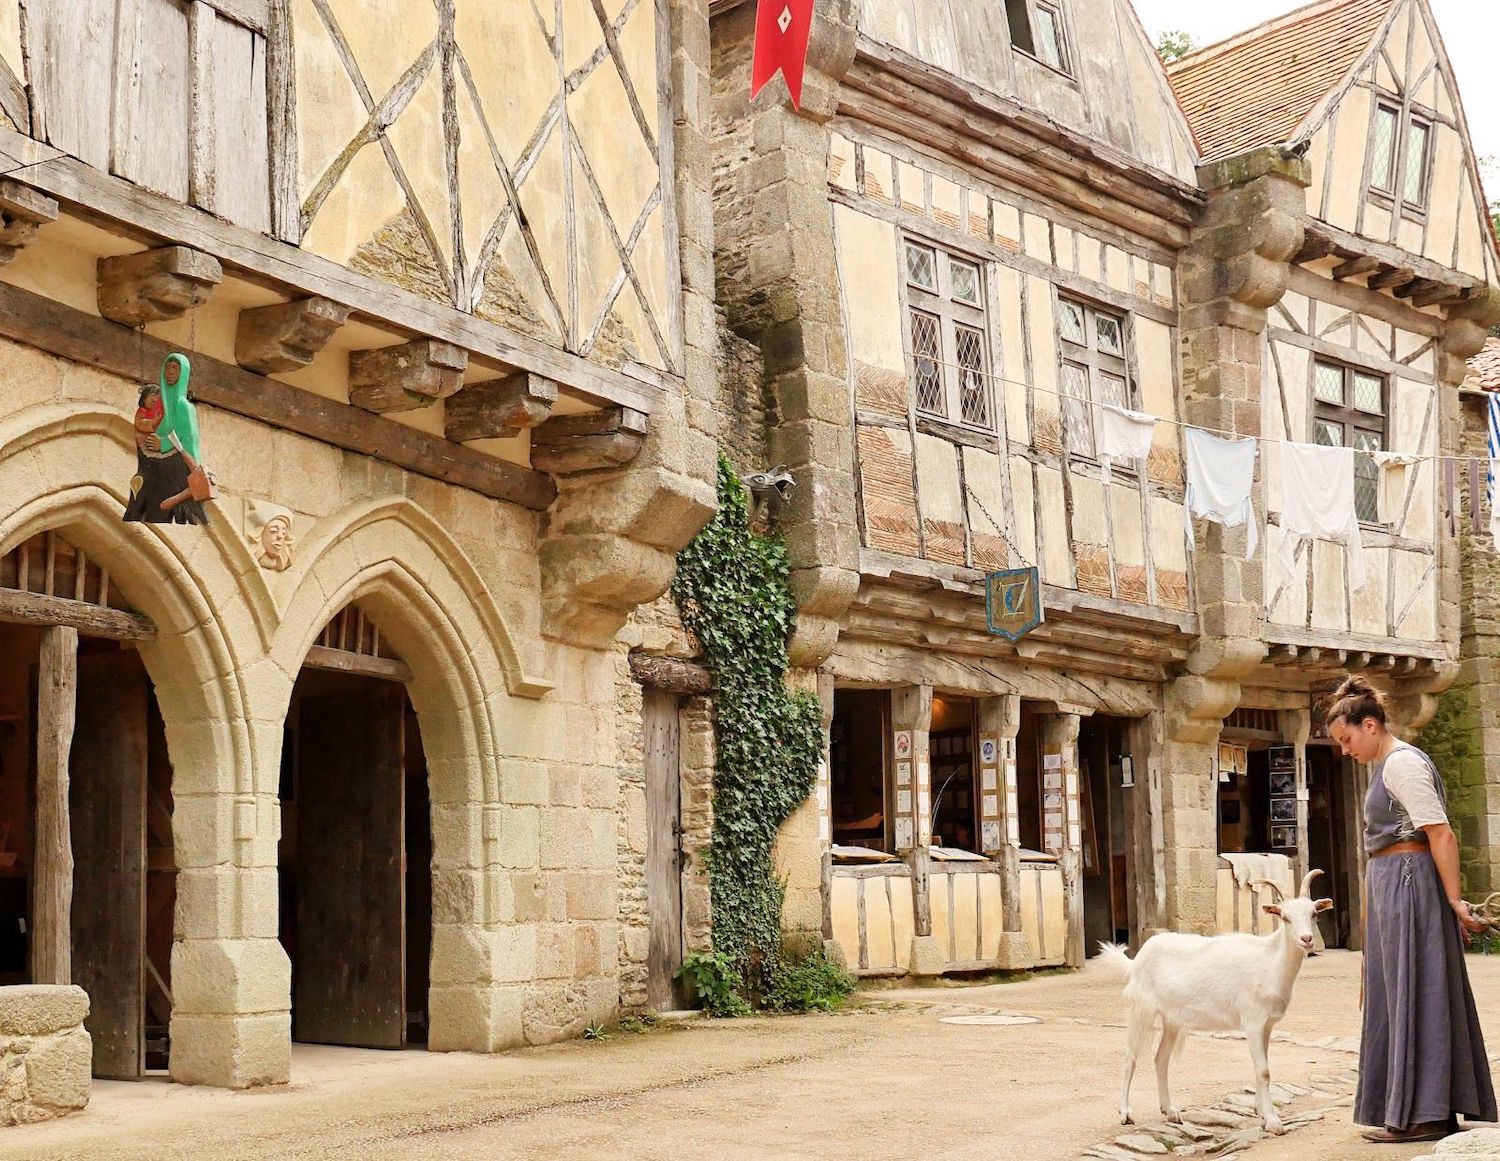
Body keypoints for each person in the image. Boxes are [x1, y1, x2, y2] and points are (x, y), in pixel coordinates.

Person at [1326, 676, 1496, 1144]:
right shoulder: (1386, 764)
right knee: (1406, 989)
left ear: (1370, 725)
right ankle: (1430, 1110)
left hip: (1408, 885)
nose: (1345, 751)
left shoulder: (1401, 764)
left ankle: (1424, 1114)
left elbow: (1440, 833)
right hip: (1394, 885)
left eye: (1347, 740)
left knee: (1415, 987)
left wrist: (1453, 901)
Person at [123, 353, 209, 525]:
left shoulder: (183, 405)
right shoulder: (158, 403)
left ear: (183, 373)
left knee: (170, 507)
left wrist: (162, 443)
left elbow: (187, 437)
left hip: (177, 466)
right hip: (154, 463)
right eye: (168, 367)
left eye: (175, 368)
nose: (170, 371)